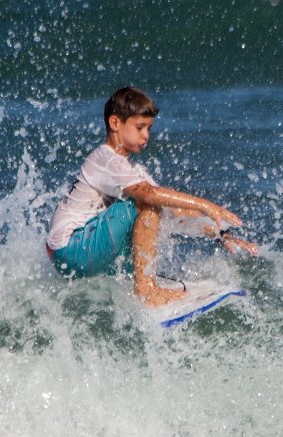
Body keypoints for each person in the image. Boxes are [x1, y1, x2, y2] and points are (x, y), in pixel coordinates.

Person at [46, 86, 258, 305]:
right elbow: (150, 196)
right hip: (70, 250)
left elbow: (175, 211)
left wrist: (221, 234)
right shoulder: (106, 158)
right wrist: (206, 205)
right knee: (148, 204)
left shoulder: (132, 173)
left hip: (72, 256)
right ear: (115, 123)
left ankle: (142, 286)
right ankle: (146, 290)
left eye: (149, 128)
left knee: (155, 207)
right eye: (140, 127)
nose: (146, 135)